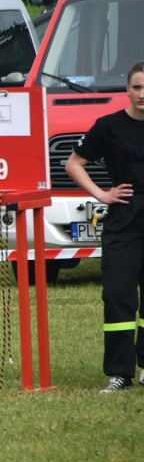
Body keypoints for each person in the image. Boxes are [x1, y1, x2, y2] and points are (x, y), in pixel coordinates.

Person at [65, 61, 144, 393]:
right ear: (126, 89)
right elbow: (74, 163)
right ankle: (120, 373)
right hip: (125, 219)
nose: (142, 94)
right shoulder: (108, 126)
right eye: (137, 87)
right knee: (117, 295)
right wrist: (101, 194)